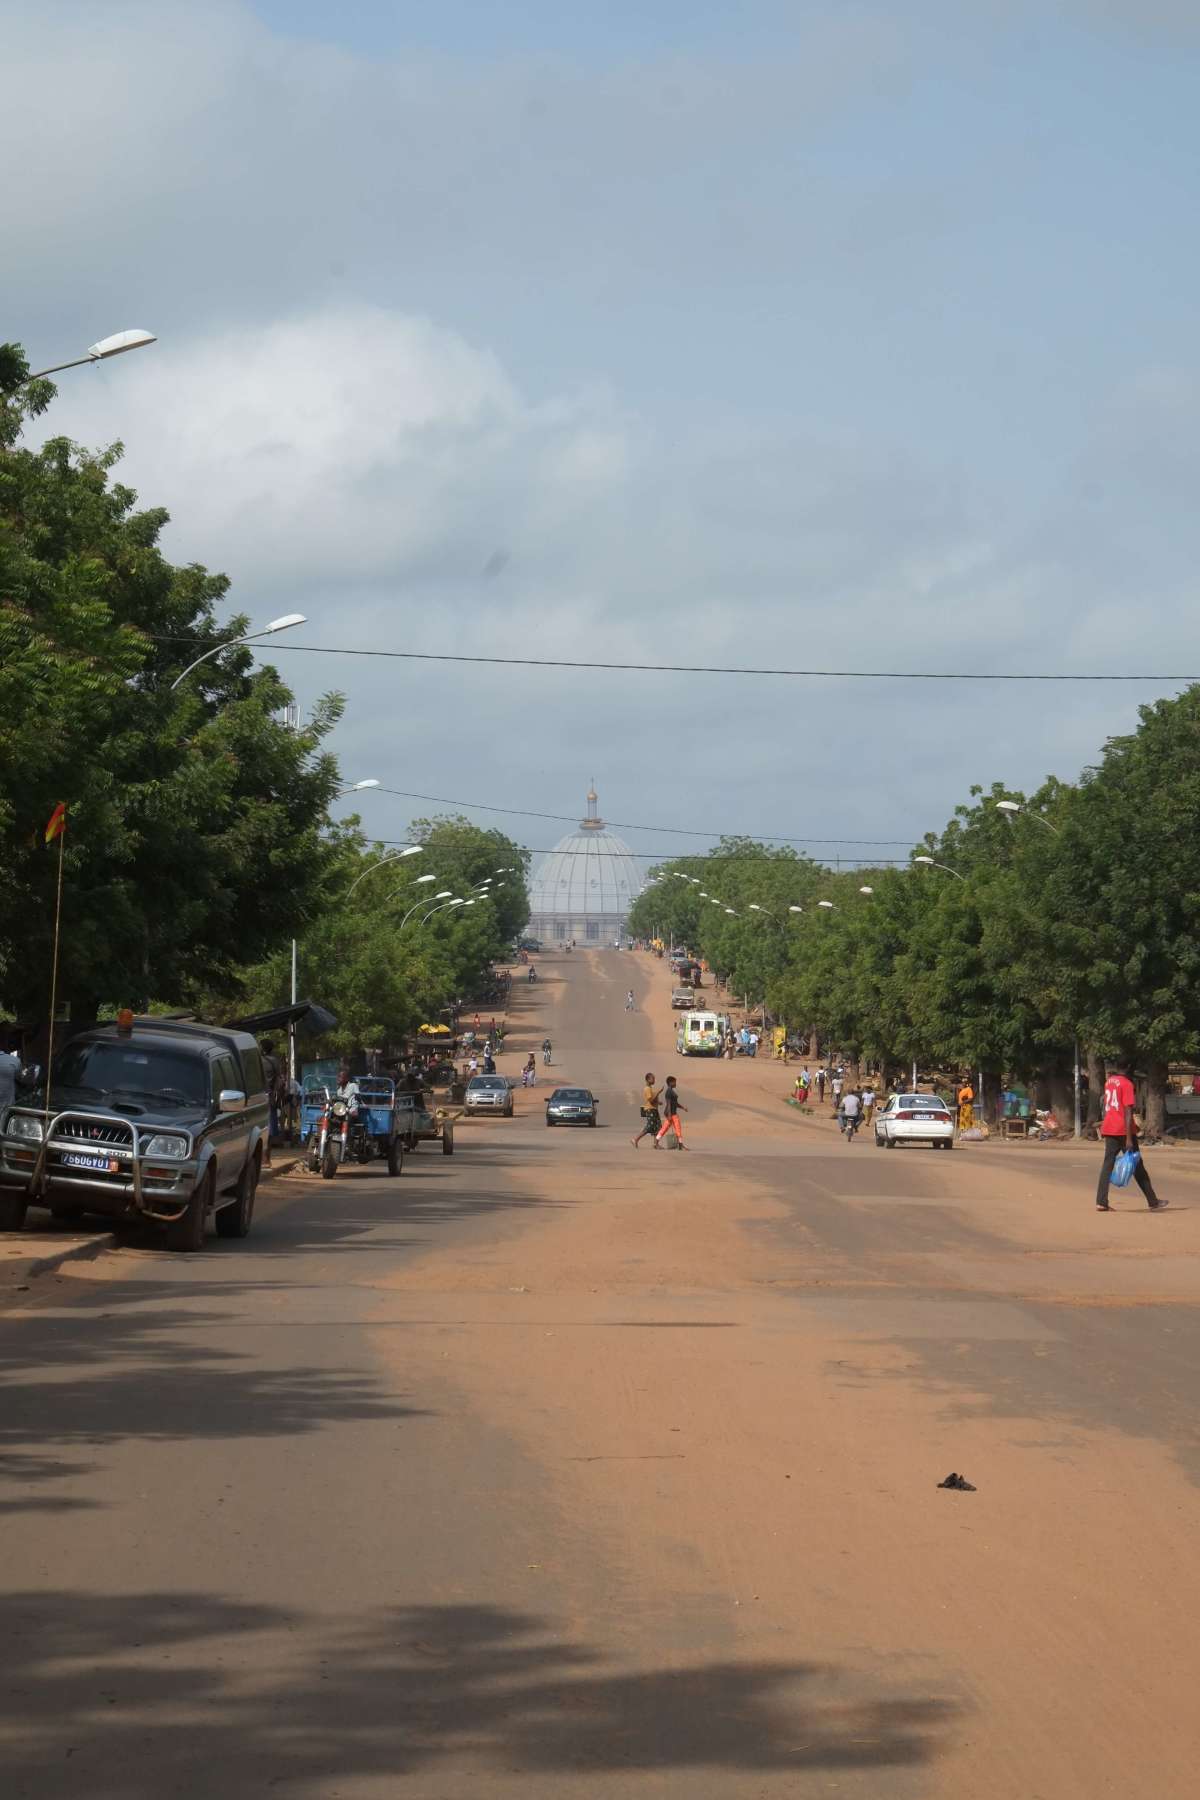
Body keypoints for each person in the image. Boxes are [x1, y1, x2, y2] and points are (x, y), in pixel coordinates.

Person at [1096, 1059, 1165, 1211]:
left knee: (1107, 1165)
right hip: (1123, 1130)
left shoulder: (1109, 1081)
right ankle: (1153, 1201)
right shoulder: (1127, 1084)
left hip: (1109, 1127)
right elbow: (1128, 1112)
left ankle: (1101, 1201)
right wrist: (1128, 1138)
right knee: (1138, 1166)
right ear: (1128, 1067)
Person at [260, 1039, 283, 1166]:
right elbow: (279, 1080)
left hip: (257, 1098)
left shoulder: (258, 1061)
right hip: (270, 1099)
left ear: (262, 1049)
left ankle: (261, 1159)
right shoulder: (275, 1061)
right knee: (269, 1129)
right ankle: (266, 1159)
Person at [656, 1075, 688, 1148]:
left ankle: (656, 1142)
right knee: (677, 1128)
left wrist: (683, 1108)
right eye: (674, 1082)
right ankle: (680, 1144)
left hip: (670, 1113)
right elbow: (669, 1104)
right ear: (670, 1083)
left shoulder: (671, 1091)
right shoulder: (669, 1092)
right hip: (672, 1113)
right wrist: (670, 1115)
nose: (675, 1083)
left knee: (665, 1128)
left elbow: (675, 1103)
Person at [632, 1072, 662, 1149]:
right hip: (650, 1110)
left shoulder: (650, 1088)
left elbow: (653, 1100)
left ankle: (656, 1144)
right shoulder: (647, 1089)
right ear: (648, 1079)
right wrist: (658, 1092)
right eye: (653, 1079)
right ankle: (635, 1139)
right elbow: (651, 1100)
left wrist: (658, 1102)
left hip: (654, 1109)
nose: (654, 1080)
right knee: (650, 1126)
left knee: (657, 1127)